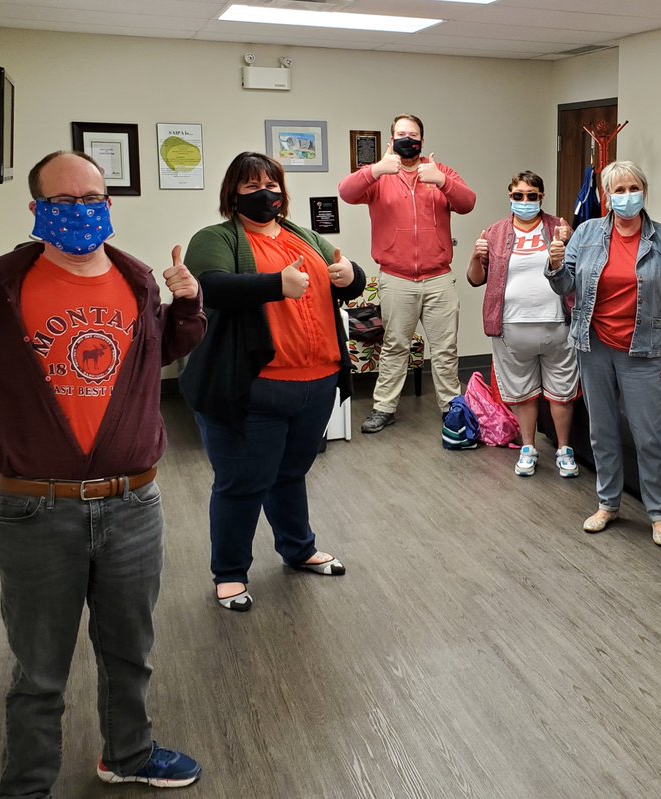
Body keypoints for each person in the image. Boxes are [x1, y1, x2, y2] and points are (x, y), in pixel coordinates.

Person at [0, 151, 205, 794]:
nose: (81, 211)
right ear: (36, 208)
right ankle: (26, 785)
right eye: (64, 201)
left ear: (108, 203)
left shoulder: (137, 281)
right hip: (35, 510)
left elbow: (164, 350)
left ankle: (128, 754)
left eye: (92, 199)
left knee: (129, 652)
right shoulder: (2, 289)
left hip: (133, 505)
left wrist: (188, 304)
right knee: (38, 671)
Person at [180, 152, 365, 612]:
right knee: (242, 483)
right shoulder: (216, 237)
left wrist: (352, 276)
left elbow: (343, 276)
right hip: (254, 387)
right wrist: (274, 285)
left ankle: (299, 549)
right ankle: (229, 572)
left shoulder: (303, 235)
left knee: (290, 475)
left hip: (316, 382)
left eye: (271, 184)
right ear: (232, 194)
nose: (264, 193)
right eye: (251, 186)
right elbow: (211, 287)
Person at [547, 160, 661, 547]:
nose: (627, 196)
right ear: (607, 197)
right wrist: (556, 263)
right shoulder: (587, 233)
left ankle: (658, 515)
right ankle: (608, 504)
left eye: (633, 188)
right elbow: (565, 287)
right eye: (619, 190)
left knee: (648, 437)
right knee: (602, 432)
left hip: (645, 351)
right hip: (594, 346)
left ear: (644, 191)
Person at [337, 114, 476, 433]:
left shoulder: (439, 172)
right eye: (401, 134)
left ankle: (451, 408)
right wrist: (376, 169)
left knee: (445, 349)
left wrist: (441, 181)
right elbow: (346, 192)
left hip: (438, 278)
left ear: (422, 141)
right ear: (391, 139)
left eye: (413, 135)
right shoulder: (380, 175)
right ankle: (384, 408)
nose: (407, 139)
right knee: (394, 346)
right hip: (396, 278)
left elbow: (467, 202)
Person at [467, 170, 579, 478]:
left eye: (532, 196)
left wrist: (569, 245)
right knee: (523, 393)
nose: (525, 201)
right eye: (519, 196)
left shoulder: (560, 229)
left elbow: (579, 272)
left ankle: (564, 449)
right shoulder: (494, 233)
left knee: (562, 393)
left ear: (542, 197)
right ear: (510, 196)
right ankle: (528, 448)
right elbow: (476, 279)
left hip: (558, 323)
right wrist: (476, 256)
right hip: (510, 327)